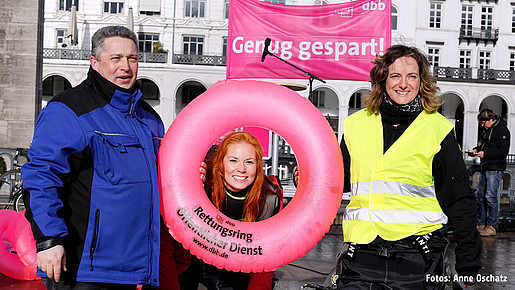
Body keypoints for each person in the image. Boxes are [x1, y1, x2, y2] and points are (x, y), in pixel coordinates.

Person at [21, 26, 163, 289]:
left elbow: (161, 178)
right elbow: (40, 176)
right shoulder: (69, 109)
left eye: (132, 59)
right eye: (116, 58)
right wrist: (48, 240)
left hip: (138, 269)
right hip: (84, 268)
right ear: (95, 63)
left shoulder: (149, 118)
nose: (126, 67)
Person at [336, 45, 482, 289]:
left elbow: (459, 198)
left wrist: (468, 261)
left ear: (421, 81)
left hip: (418, 256)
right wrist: (309, 178)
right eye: (395, 76)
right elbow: (338, 180)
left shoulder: (438, 128)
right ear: (382, 80)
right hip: (361, 255)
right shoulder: (355, 125)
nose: (403, 84)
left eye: (411, 76)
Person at [162, 132, 281, 290]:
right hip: (192, 261)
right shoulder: (202, 186)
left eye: (249, 162)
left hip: (238, 266)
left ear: (258, 166)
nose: (241, 169)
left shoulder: (268, 198)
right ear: (221, 162)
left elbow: (265, 260)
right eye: (233, 160)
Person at [469, 108, 510, 237]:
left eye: (483, 123)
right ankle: (481, 223)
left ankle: (492, 226)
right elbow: (485, 145)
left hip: (495, 167)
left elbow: (503, 151)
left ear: (491, 120)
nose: (482, 125)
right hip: (485, 166)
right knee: (480, 196)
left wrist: (485, 153)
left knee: (491, 197)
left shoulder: (503, 131)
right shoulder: (487, 131)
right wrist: (477, 149)